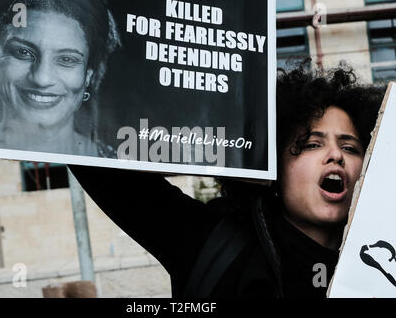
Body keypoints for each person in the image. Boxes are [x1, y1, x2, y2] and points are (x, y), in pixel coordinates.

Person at [69, 61, 384, 298]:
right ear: (274, 166)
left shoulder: (385, 263)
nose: (335, 155)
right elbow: (96, 160)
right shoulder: (213, 243)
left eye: (350, 147)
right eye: (312, 144)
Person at [0, 0, 119, 157]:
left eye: (67, 59)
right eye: (22, 52)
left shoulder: (117, 161)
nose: (41, 79)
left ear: (88, 75)